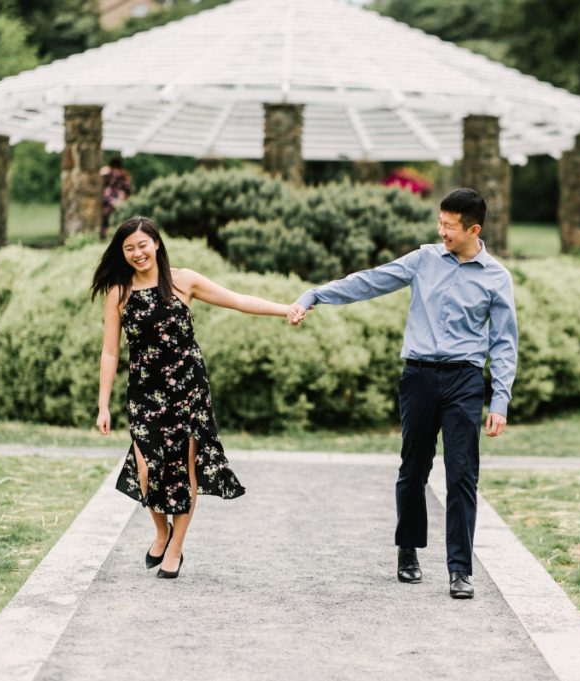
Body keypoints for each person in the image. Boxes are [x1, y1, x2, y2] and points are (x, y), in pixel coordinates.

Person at [288, 188, 518, 599]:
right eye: (440, 223)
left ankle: (460, 570)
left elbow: (504, 343)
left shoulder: (496, 277)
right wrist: (315, 295)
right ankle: (408, 550)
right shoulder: (424, 260)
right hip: (418, 377)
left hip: (464, 381)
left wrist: (499, 400)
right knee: (413, 468)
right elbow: (369, 282)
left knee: (463, 474)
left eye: (449, 226)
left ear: (473, 229)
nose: (441, 231)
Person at [91, 216, 295, 579]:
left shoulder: (184, 281)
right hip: (144, 392)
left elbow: (237, 300)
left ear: (156, 244)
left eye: (143, 245)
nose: (138, 253)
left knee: (185, 470)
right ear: (122, 254)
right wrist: (102, 405)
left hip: (188, 389)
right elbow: (110, 352)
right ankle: (161, 531)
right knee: (146, 469)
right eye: (129, 248)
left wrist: (286, 309)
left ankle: (177, 549)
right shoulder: (119, 294)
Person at [100, 157, 132, 239]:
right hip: (107, 206)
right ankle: (104, 237)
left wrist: (120, 200)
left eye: (117, 169)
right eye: (114, 169)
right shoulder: (107, 177)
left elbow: (128, 192)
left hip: (120, 206)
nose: (116, 171)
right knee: (105, 222)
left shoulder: (124, 179)